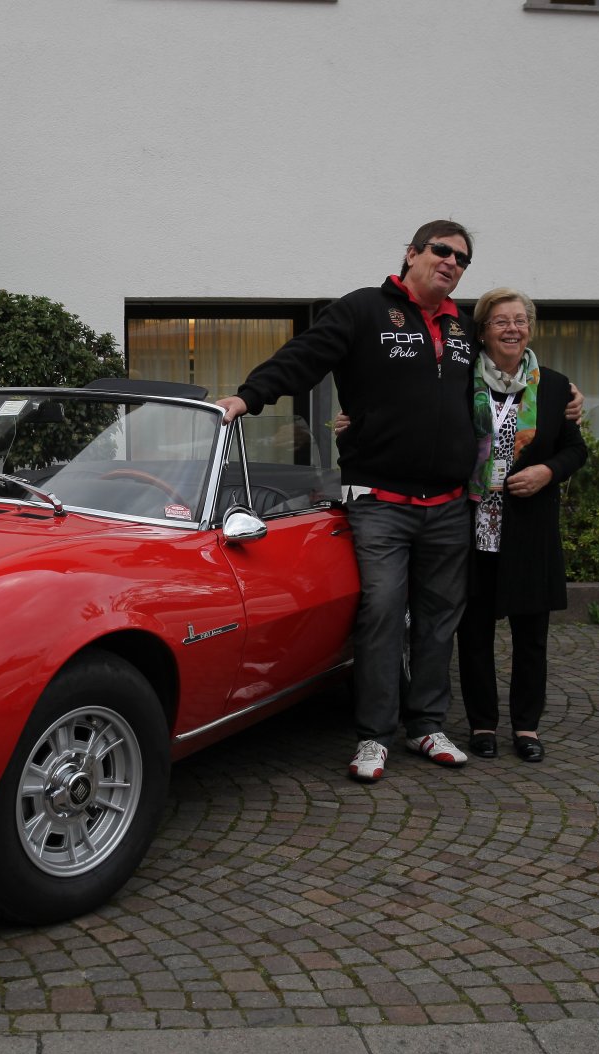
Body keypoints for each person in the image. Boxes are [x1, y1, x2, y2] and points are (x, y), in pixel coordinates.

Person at [216, 221, 524, 783]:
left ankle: (426, 724)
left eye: (462, 259)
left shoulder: (461, 326)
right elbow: (304, 356)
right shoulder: (363, 310)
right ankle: (374, 735)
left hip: (448, 504)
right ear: (412, 253)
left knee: (438, 619)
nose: (452, 263)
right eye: (442, 251)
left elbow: (508, 371)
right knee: (382, 611)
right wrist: (247, 396)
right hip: (381, 502)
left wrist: (563, 392)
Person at [456, 287, 586, 763]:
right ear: (482, 331)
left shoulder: (554, 386)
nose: (512, 329)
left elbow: (576, 449)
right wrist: (354, 419)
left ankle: (527, 726)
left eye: (520, 320)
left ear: (530, 329)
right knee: (474, 634)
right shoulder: (458, 382)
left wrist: (548, 471)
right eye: (501, 321)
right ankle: (482, 724)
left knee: (531, 636)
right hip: (472, 527)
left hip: (529, 530)